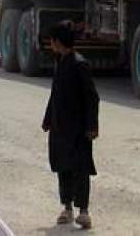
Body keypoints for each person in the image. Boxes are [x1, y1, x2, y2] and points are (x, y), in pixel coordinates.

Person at [42, 21, 100, 230]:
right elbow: (55, 94)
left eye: (52, 40)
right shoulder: (60, 61)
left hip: (78, 129)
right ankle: (67, 208)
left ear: (58, 42)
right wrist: (48, 118)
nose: (51, 44)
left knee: (81, 169)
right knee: (62, 167)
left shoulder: (79, 64)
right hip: (59, 127)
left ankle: (83, 212)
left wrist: (92, 126)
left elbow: (92, 97)